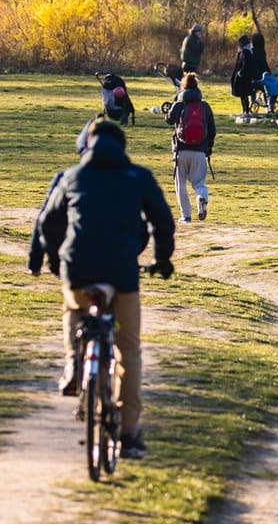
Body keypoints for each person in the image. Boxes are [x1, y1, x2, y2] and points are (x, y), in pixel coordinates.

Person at [35, 118, 176, 460]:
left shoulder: (72, 176)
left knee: (73, 307)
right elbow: (162, 221)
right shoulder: (138, 176)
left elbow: (49, 222)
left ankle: (73, 363)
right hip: (121, 272)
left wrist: (55, 260)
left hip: (78, 268)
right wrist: (162, 260)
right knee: (128, 351)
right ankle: (127, 433)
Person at [163, 73, 214, 223]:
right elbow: (212, 129)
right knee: (199, 182)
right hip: (199, 151)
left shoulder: (180, 103)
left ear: (183, 87)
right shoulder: (204, 106)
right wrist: (208, 148)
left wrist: (173, 104)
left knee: (181, 183)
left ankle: (186, 216)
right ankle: (201, 198)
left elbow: (169, 120)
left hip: (181, 149)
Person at [230, 34, 257, 114]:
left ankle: (246, 110)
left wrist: (241, 72)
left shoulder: (246, 52)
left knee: (243, 95)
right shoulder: (247, 50)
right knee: (244, 95)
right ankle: (246, 110)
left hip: (244, 77)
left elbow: (245, 64)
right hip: (246, 76)